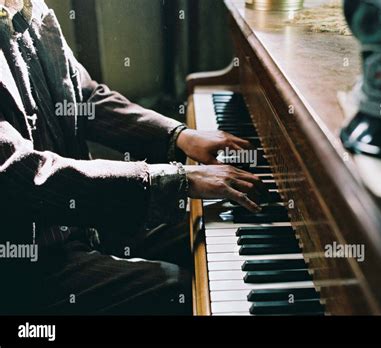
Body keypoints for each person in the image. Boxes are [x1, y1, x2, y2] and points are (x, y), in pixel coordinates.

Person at [0, 0, 264, 315]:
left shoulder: (23, 4)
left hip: (85, 220)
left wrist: (178, 136)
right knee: (181, 291)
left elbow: (84, 95)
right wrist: (178, 179)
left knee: (214, 224)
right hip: (31, 261)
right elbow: (26, 175)